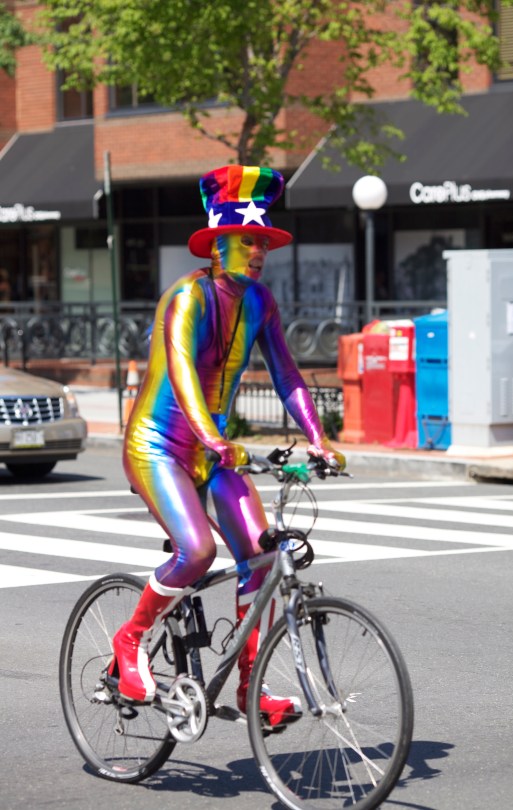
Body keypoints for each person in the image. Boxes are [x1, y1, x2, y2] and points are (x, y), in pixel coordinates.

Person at [111, 165, 346, 727]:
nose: (259, 251)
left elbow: (287, 376)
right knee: (197, 552)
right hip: (160, 446)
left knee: (263, 556)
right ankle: (129, 642)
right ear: (218, 244)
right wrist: (216, 437)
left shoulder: (261, 302)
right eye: (248, 240)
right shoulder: (185, 298)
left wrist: (318, 439)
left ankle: (247, 688)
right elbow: (185, 374)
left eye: (263, 241)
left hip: (211, 451)